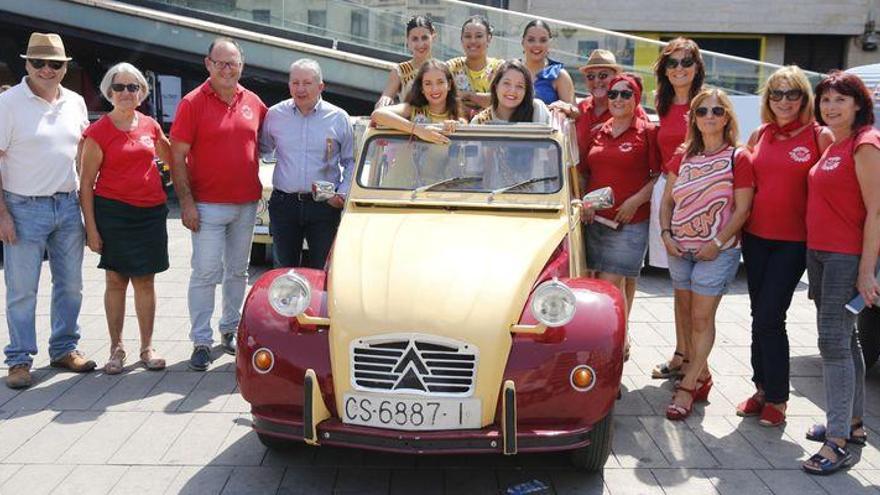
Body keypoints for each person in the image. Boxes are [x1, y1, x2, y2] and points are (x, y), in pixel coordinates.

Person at [736, 66, 833, 426]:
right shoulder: (760, 133)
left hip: (793, 243)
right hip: (755, 237)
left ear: (805, 99)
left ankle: (778, 396)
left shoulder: (819, 135)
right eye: (776, 93)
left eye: (792, 93)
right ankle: (761, 387)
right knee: (757, 315)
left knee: (769, 317)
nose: (784, 101)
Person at [0, 33, 95, 389]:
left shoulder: (75, 102)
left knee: (71, 285)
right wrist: (2, 214)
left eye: (54, 64)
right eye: (38, 62)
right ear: (26, 64)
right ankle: (20, 359)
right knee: (22, 289)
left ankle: (64, 349)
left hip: (67, 204)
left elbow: (83, 155)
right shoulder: (8, 103)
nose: (46, 70)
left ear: (64, 67)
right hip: (22, 206)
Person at [169, 37, 267, 370]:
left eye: (233, 63)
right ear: (208, 64)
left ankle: (229, 330)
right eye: (221, 63)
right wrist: (186, 203)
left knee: (238, 271)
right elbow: (177, 156)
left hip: (246, 204)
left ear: (242, 65)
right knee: (206, 272)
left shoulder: (254, 102)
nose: (227, 69)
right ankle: (200, 340)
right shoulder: (192, 103)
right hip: (207, 206)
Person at [801, 71, 880, 475]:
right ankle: (852, 424)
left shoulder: (866, 144)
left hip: (844, 258)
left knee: (832, 342)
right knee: (847, 342)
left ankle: (837, 443)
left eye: (840, 100)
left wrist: (867, 271)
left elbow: (876, 212)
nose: (830, 107)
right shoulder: (836, 143)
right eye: (826, 100)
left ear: (858, 104)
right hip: (822, 255)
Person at [659, 88, 754, 421]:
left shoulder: (738, 157)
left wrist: (717, 242)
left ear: (727, 116)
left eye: (716, 111)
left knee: (701, 318)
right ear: (694, 118)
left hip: (719, 251)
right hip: (679, 247)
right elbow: (667, 200)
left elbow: (742, 209)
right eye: (702, 112)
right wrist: (666, 234)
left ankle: (687, 387)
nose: (709, 117)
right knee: (686, 316)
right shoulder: (683, 153)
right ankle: (702, 374)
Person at [79, 63, 172, 374]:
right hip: (114, 214)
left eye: (133, 87)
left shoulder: (151, 126)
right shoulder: (98, 132)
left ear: (142, 92)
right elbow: (85, 184)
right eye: (119, 87)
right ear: (109, 91)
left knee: (146, 280)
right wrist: (91, 229)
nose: (126, 93)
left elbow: (172, 158)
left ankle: (147, 347)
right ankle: (116, 348)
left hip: (150, 213)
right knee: (116, 280)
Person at [579, 73, 659, 329]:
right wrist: (586, 203)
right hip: (594, 222)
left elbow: (659, 176)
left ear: (637, 99)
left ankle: (608, 339)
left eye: (626, 94)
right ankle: (614, 336)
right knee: (592, 286)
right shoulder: (596, 132)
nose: (618, 99)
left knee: (607, 287)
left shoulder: (648, 132)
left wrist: (635, 201)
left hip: (629, 223)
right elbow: (583, 173)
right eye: (613, 93)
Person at [260, 59, 354, 269]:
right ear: (289, 85)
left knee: (324, 270)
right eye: (295, 83)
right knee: (283, 270)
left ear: (321, 86)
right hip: (284, 204)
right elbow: (261, 149)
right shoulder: (275, 115)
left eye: (307, 83)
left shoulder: (339, 118)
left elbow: (350, 161)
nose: (300, 89)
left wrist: (341, 195)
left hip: (324, 205)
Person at [650, 37, 706, 381]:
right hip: (668, 197)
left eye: (687, 62)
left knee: (695, 294)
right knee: (678, 286)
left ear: (697, 68)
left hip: (699, 201)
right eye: (673, 63)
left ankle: (697, 367)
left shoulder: (707, 104)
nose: (680, 69)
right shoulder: (663, 103)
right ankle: (681, 353)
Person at [371, 59, 461, 144]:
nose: (434, 89)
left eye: (440, 82)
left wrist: (455, 126)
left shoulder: (456, 116)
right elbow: (377, 114)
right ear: (421, 88)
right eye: (428, 83)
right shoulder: (411, 109)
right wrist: (419, 131)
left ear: (449, 85)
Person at [447, 15, 502, 120]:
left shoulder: (500, 69)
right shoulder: (451, 67)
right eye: (468, 36)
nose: (473, 41)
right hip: (457, 130)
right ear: (461, 39)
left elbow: (501, 102)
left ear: (489, 38)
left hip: (494, 129)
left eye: (479, 36)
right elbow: (443, 100)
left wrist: (468, 95)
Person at [375, 15, 435, 108]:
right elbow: (386, 96)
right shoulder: (400, 71)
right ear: (407, 41)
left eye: (425, 38)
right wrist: (384, 101)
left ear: (433, 36)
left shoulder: (443, 68)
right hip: (407, 120)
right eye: (415, 39)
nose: (420, 44)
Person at [470, 59, 551, 124]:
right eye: (506, 83)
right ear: (496, 86)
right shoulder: (479, 122)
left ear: (526, 91)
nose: (512, 91)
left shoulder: (537, 109)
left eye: (519, 86)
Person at [520, 19, 574, 106]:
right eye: (531, 40)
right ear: (522, 42)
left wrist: (560, 108)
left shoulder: (559, 75)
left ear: (550, 43)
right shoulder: (513, 70)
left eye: (543, 40)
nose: (537, 45)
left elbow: (573, 114)